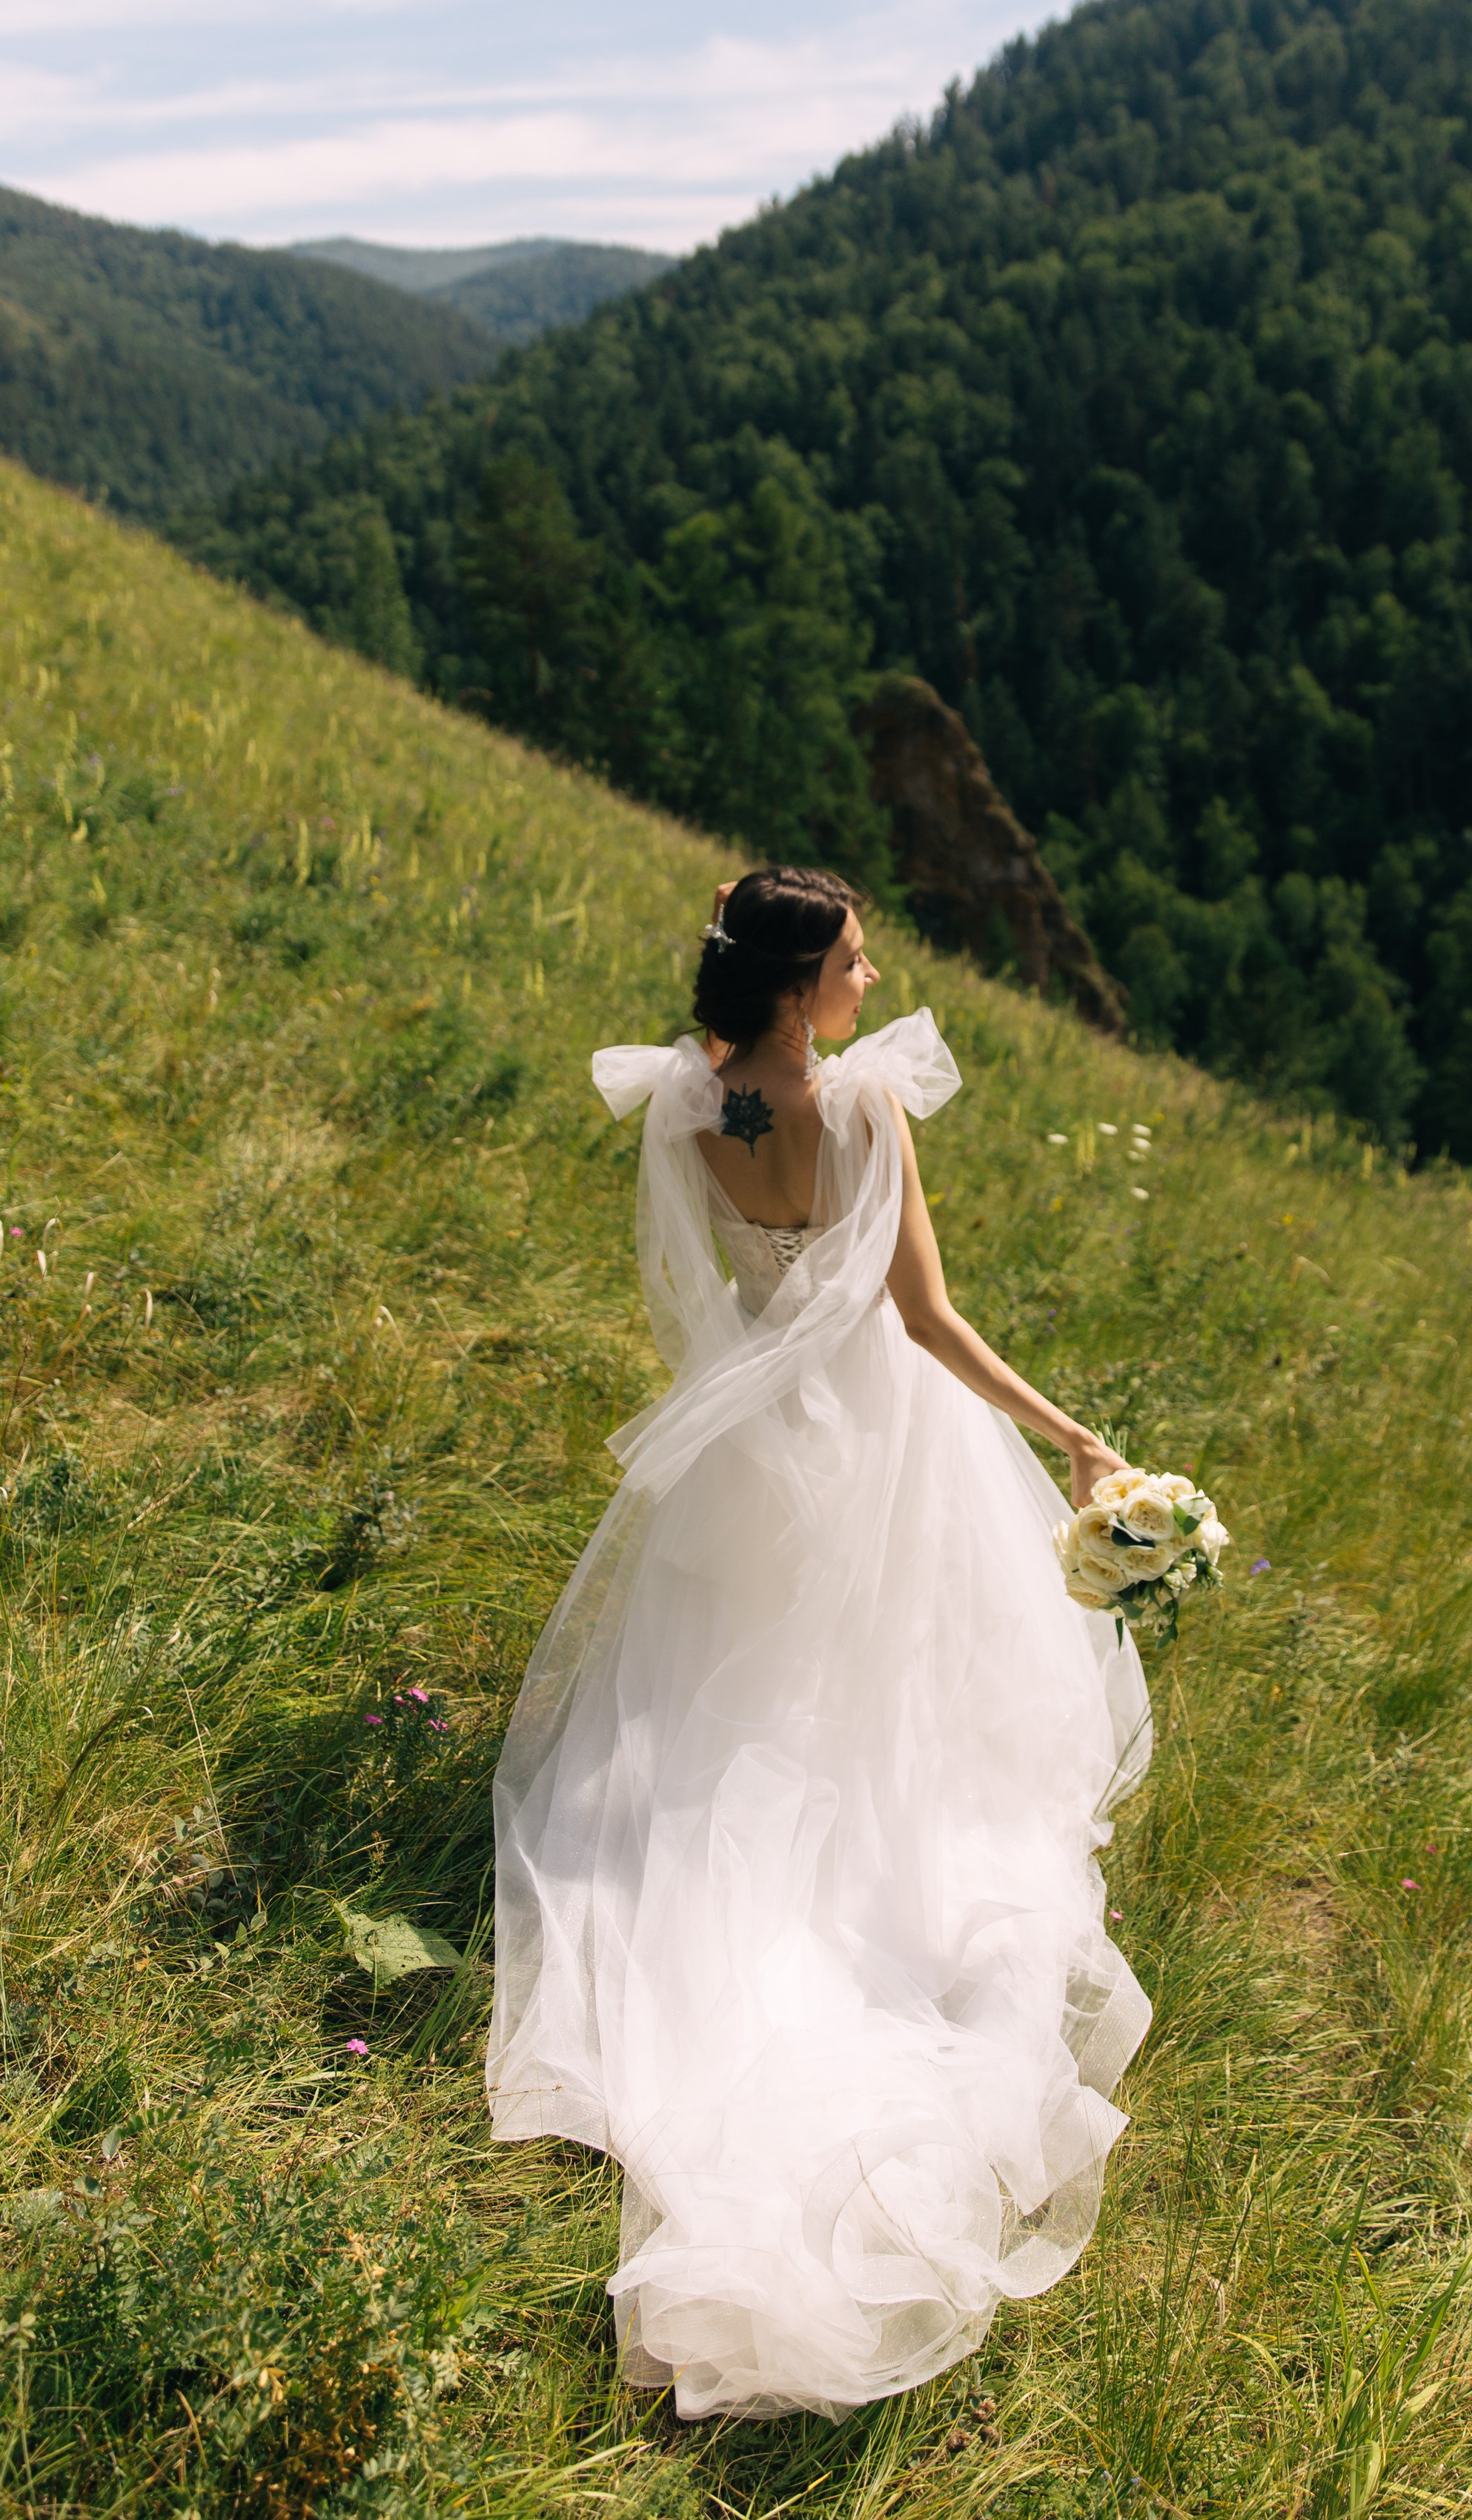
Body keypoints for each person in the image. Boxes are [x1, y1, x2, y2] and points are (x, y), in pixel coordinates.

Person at [485, 863, 1153, 2421]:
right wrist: (1071, 1436)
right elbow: (924, 1321)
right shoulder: (856, 1110)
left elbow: (693, 1291)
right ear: (798, 985)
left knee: (739, 1691)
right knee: (887, 1698)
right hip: (876, 1426)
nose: (872, 971)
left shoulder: (686, 1101)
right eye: (852, 954)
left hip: (756, 1431)